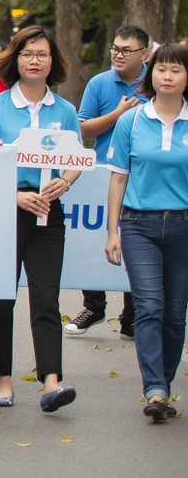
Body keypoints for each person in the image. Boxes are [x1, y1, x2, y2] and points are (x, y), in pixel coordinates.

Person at [0, 24, 82, 412]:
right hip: (7, 210)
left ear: (52, 61)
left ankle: (51, 381)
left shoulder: (65, 110)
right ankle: (3, 379)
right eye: (27, 54)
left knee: (46, 297)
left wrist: (65, 182)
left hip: (48, 214)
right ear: (15, 59)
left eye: (42, 54)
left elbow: (75, 159)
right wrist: (14, 196)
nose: (34, 61)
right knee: (1, 298)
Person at [102, 39, 188, 423]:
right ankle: (155, 388)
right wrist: (112, 232)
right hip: (139, 226)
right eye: (161, 69)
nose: (167, 76)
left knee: (175, 313)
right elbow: (118, 178)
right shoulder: (132, 120)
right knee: (149, 306)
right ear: (151, 73)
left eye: (176, 69)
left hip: (184, 225)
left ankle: (163, 383)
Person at [74, 25, 154, 338]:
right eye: (115, 49)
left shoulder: (155, 82)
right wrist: (118, 114)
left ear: (144, 53)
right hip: (102, 174)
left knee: (136, 241)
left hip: (142, 176)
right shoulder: (99, 83)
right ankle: (93, 306)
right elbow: (82, 129)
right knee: (94, 238)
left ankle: (131, 316)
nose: (118, 55)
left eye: (126, 51)